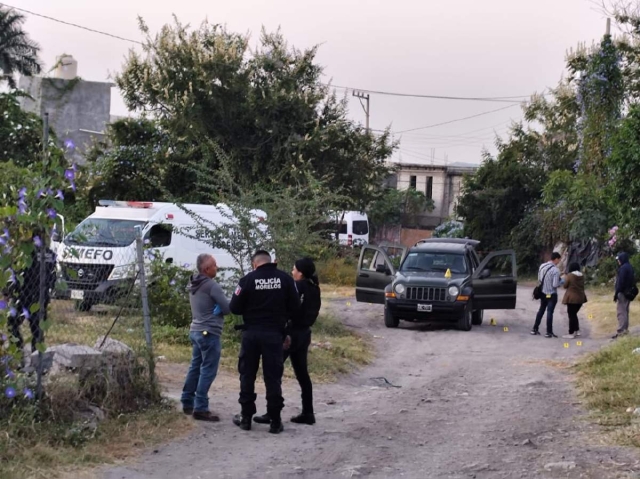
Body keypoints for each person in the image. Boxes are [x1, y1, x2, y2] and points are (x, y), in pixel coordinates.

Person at [230, 250, 300, 434]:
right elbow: (295, 307)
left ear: (255, 264)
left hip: (251, 334)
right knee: (273, 377)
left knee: (247, 375)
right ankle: (275, 421)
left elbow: (234, 307)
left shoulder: (247, 280)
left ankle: (246, 418)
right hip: (274, 335)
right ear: (271, 262)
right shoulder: (285, 279)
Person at [254, 257, 322, 426]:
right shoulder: (315, 288)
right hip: (305, 333)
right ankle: (308, 412)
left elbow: (287, 308)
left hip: (290, 334)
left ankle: (272, 412)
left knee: (274, 371)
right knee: (302, 374)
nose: (292, 272)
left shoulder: (297, 287)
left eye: (294, 269)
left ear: (300, 272)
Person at [181, 253, 230, 422]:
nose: (217, 268)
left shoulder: (193, 283)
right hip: (209, 332)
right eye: (215, 265)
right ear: (207, 269)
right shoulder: (211, 285)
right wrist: (224, 306)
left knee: (195, 366)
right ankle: (201, 407)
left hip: (196, 330)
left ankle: (187, 401)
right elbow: (227, 308)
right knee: (208, 370)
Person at [6, 233, 57, 352]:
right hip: (40, 297)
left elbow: (16, 275)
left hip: (22, 296)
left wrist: (10, 292)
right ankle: (36, 359)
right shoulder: (50, 254)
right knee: (37, 331)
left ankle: (19, 354)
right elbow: (53, 278)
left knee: (12, 324)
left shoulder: (23, 255)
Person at [531, 252, 563, 338]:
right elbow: (555, 285)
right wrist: (562, 282)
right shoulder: (555, 270)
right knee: (549, 312)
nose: (559, 262)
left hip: (543, 293)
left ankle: (534, 329)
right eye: (559, 260)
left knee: (541, 310)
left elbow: (539, 279)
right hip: (551, 294)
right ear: (556, 259)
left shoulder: (542, 266)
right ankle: (548, 332)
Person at [613, 252, 635, 339]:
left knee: (621, 312)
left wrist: (616, 293)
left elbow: (620, 282)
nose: (618, 261)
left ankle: (621, 331)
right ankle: (625, 330)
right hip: (628, 292)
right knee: (625, 311)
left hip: (622, 292)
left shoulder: (623, 268)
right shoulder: (629, 267)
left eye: (619, 259)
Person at [561, 262, 587, 339]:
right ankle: (577, 330)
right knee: (574, 314)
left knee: (571, 315)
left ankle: (571, 332)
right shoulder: (582, 276)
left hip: (572, 299)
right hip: (581, 298)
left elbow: (565, 286)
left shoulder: (570, 276)